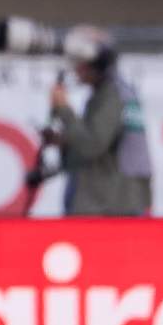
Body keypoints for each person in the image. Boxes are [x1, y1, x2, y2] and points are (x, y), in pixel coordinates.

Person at [46, 26, 153, 216]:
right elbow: (97, 148)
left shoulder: (113, 95)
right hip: (111, 205)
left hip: (107, 209)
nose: (76, 69)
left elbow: (92, 145)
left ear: (97, 64)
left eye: (80, 62)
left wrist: (63, 109)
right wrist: (65, 141)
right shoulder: (115, 93)